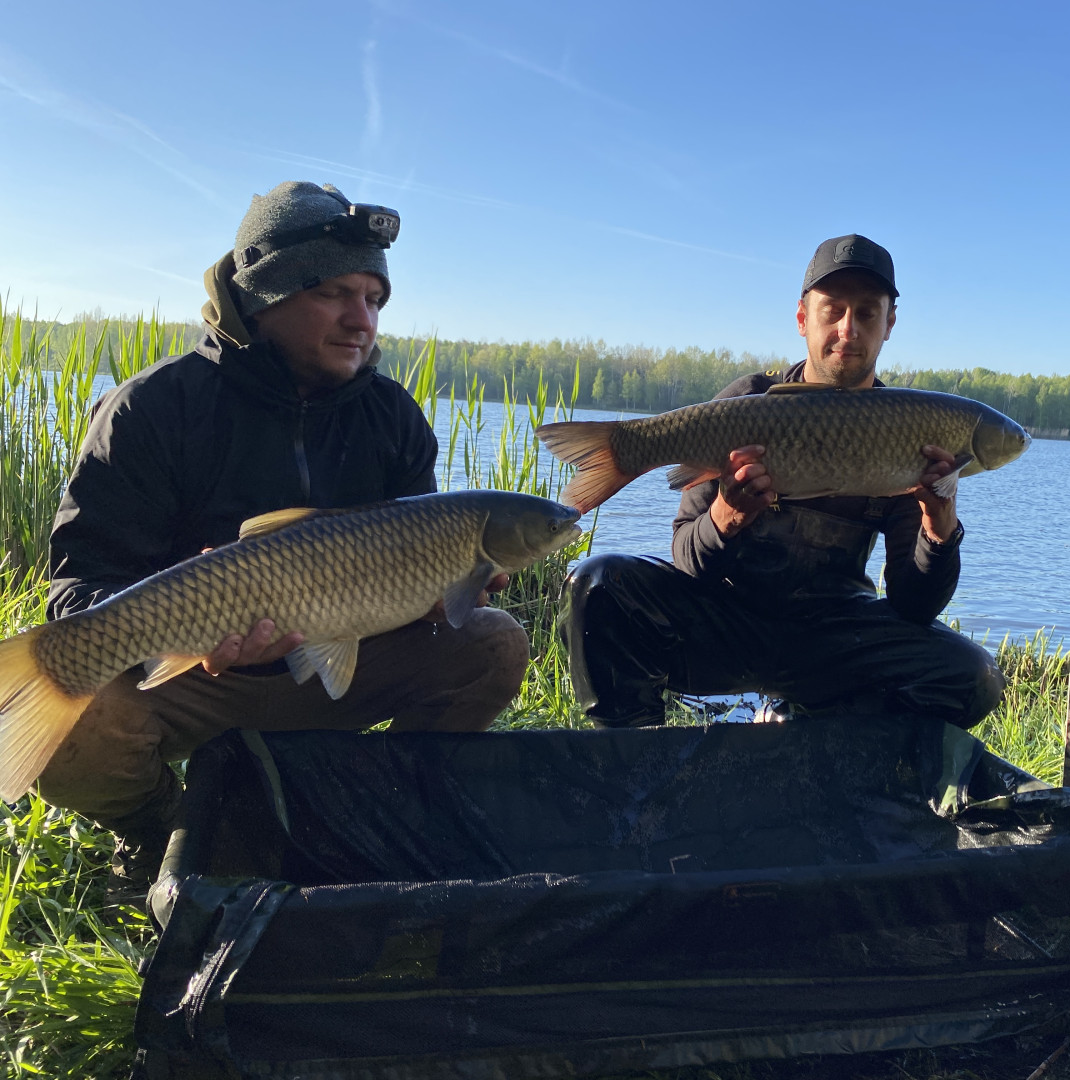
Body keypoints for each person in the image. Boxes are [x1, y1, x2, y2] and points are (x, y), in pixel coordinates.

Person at [38, 181, 530, 903]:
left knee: (494, 642)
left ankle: (370, 803)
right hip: (197, 680)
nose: (362, 320)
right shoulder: (153, 407)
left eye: (375, 299)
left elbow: (424, 569)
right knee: (64, 720)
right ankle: (162, 833)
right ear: (264, 295)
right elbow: (77, 589)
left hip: (338, 666)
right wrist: (190, 618)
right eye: (334, 293)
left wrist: (441, 597)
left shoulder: (392, 416)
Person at [561, 234, 1004, 730]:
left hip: (835, 639)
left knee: (973, 677)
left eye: (866, 314)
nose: (848, 330)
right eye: (832, 311)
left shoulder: (905, 426)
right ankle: (637, 757)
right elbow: (686, 558)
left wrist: (939, 527)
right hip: (728, 625)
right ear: (802, 318)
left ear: (889, 325)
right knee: (600, 586)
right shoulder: (748, 401)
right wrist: (727, 516)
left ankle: (816, 729)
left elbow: (912, 607)